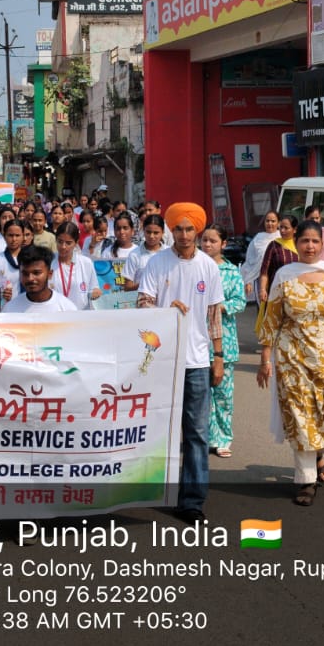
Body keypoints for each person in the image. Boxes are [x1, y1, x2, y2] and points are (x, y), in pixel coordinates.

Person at [256, 220, 324, 507]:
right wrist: (265, 359)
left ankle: (319, 455)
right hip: (293, 360)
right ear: (296, 243)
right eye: (304, 241)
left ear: (323, 244)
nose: (310, 246)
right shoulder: (285, 276)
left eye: (315, 241)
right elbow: (272, 320)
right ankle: (305, 480)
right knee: (300, 418)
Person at [138, 202, 225, 523]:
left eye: (190, 229)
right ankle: (151, 489)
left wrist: (219, 358)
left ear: (198, 231)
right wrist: (163, 310)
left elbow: (214, 315)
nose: (185, 235)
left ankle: (192, 500)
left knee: (197, 432)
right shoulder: (157, 263)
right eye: (179, 229)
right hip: (162, 360)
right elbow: (142, 302)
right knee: (159, 427)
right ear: (170, 230)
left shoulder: (208, 267)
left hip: (198, 361)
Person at [201, 224, 246, 459]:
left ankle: (223, 438)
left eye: (213, 241)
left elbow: (240, 301)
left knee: (223, 395)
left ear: (223, 244)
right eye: (204, 240)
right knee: (201, 395)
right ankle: (205, 437)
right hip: (197, 343)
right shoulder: (194, 267)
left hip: (224, 343)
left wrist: (221, 307)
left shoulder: (230, 272)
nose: (207, 245)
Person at [4, 246, 78, 313]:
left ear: (50, 274)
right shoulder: (10, 309)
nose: (30, 278)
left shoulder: (67, 309)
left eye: (36, 273)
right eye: (25, 273)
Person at [50, 221, 101, 310]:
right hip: (55, 316)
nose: (63, 246)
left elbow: (94, 288)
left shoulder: (86, 263)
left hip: (80, 317)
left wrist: (95, 292)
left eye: (68, 243)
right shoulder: (48, 261)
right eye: (60, 241)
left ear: (76, 242)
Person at [256, 215, 300, 305]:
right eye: (281, 227)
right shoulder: (274, 245)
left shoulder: (300, 245)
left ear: (295, 229)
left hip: (297, 291)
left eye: (286, 228)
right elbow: (264, 271)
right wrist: (262, 289)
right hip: (276, 290)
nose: (282, 231)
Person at [241, 211, 280, 302]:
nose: (270, 223)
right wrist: (248, 281)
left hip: (278, 278)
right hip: (260, 279)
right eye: (267, 221)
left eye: (273, 221)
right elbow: (250, 261)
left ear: (278, 223)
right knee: (263, 307)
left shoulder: (282, 237)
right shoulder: (258, 238)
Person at [124, 214, 166, 290]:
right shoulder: (134, 255)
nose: (151, 236)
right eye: (148, 232)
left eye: (156, 233)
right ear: (143, 230)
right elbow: (127, 287)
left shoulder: (169, 253)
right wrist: (145, 284)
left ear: (163, 232)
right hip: (142, 300)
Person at [0, 218, 27, 306]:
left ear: (23, 236)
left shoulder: (29, 258)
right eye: (10, 235)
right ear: (4, 236)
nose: (14, 239)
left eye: (17, 235)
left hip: (27, 308)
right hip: (6, 308)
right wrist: (1, 293)